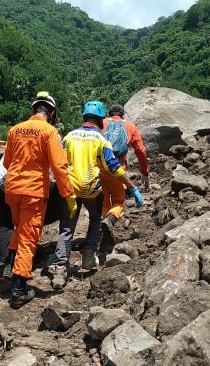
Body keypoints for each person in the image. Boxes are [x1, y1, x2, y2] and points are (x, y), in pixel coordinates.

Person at [47, 101, 143, 289]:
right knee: (95, 219)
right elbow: (113, 166)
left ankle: (60, 271)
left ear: (84, 117)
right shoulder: (101, 140)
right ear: (100, 120)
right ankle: (89, 258)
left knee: (66, 228)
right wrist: (131, 187)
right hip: (92, 189)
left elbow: (58, 163)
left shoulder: (69, 137)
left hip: (71, 190)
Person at [2, 91, 76, 309]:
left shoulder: (15, 130)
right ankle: (19, 290)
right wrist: (68, 194)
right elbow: (60, 167)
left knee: (19, 228)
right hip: (33, 191)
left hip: (12, 188)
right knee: (28, 237)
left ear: (33, 110)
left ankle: (10, 264)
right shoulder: (49, 132)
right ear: (51, 113)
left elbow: (7, 162)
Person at [99, 104, 149, 256]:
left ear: (109, 114)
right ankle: (110, 221)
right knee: (119, 201)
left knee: (104, 201)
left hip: (99, 167)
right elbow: (141, 151)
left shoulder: (102, 123)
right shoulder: (130, 126)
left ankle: (103, 232)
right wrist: (144, 171)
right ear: (123, 115)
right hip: (118, 168)